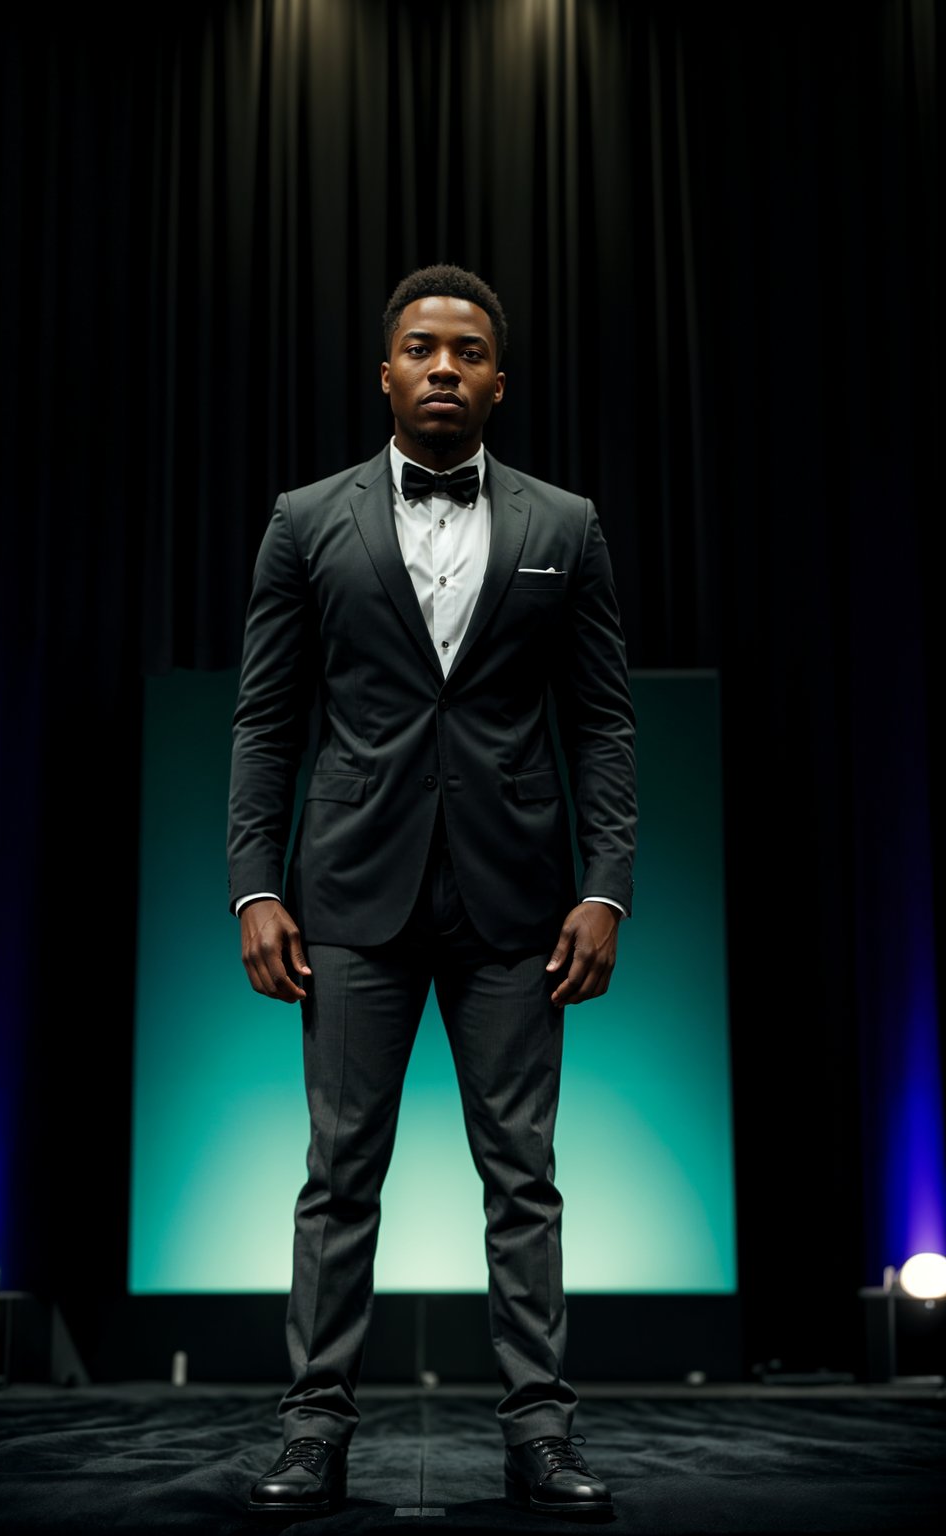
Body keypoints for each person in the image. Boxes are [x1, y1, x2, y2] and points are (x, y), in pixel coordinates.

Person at [227, 263, 637, 1520]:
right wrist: (253, 884)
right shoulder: (307, 518)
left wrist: (605, 886)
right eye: (421, 348)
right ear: (387, 371)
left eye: (467, 351)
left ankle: (540, 1438)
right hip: (349, 894)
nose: (444, 366)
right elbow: (267, 719)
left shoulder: (565, 525)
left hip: (519, 901)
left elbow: (603, 725)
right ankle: (312, 1435)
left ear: (498, 379)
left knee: (523, 1177)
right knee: (339, 1174)